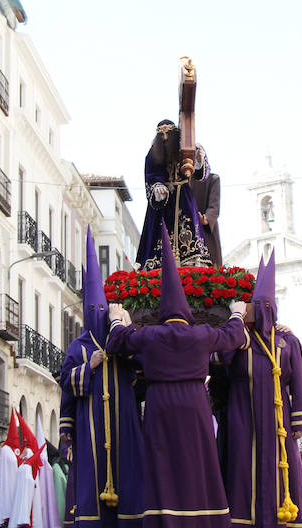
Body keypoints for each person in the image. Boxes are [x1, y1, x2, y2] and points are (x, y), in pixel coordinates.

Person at [107, 224, 248, 528]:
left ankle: (162, 519)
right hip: (195, 403)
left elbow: (117, 342)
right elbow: (233, 335)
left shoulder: (150, 335)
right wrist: (237, 311)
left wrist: (118, 320)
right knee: (198, 460)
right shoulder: (200, 334)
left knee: (161, 462)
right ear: (186, 310)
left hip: (159, 404)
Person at [219, 252, 302, 527]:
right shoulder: (241, 339)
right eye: (257, 305)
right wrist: (235, 323)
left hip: (279, 421)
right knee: (242, 469)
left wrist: (300, 420)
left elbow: (300, 376)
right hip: (243, 418)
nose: (262, 310)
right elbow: (219, 358)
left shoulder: (287, 340)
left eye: (267, 305)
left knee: (282, 470)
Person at [60, 226, 144, 527]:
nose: (97, 313)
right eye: (92, 309)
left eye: (101, 308)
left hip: (124, 421)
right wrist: (88, 367)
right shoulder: (78, 347)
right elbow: (66, 386)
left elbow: (141, 367)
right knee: (92, 479)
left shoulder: (119, 337)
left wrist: (126, 326)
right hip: (88, 425)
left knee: (129, 472)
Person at [135, 120, 212, 270]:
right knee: (159, 235)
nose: (164, 138)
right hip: (163, 203)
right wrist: (157, 188)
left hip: (184, 200)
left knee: (189, 235)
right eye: (161, 135)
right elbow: (150, 177)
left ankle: (191, 267)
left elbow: (201, 175)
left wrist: (198, 161)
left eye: (167, 134)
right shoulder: (152, 154)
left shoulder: (186, 149)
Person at [189, 144, 222, 266]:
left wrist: (206, 219)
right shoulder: (182, 181)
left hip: (205, 230)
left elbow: (214, 206)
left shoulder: (213, 179)